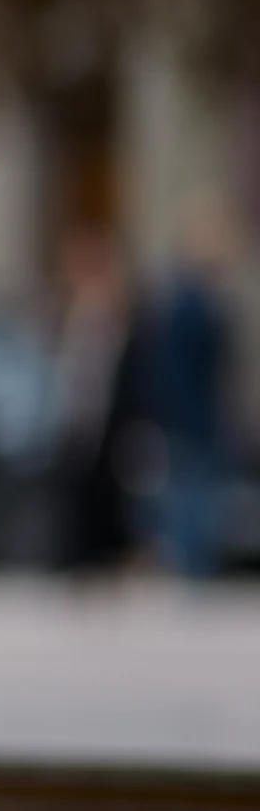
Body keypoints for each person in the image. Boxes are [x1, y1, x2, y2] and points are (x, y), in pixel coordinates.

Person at [48, 226, 153, 579]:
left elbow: (96, 374)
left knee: (101, 493)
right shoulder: (82, 309)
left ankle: (101, 556)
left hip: (98, 420)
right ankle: (90, 556)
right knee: (85, 493)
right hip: (85, 418)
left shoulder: (101, 310)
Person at [145, 200, 240, 582]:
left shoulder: (205, 300)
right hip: (192, 416)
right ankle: (191, 566)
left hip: (201, 414)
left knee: (197, 492)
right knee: (190, 493)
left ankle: (194, 564)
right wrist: (189, 413)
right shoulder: (188, 304)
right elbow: (179, 367)